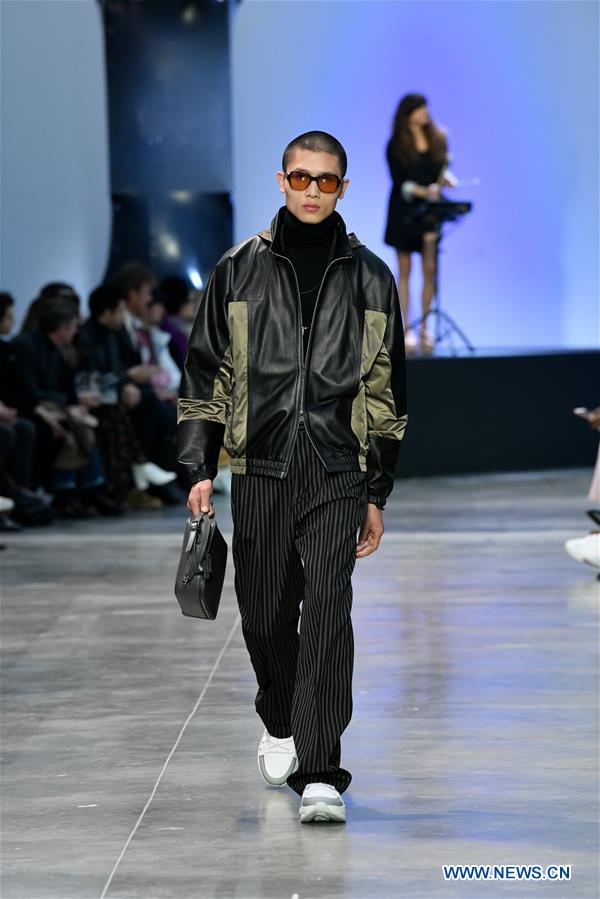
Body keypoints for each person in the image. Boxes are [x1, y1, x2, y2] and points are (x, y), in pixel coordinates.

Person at [178, 130, 408, 824]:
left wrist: (376, 490)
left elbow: (385, 391)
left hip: (337, 463)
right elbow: (206, 373)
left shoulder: (371, 277)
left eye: (326, 180)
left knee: (330, 607)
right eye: (301, 178)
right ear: (282, 181)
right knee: (264, 609)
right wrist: (198, 464)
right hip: (261, 461)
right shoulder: (237, 270)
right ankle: (279, 715)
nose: (312, 190)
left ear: (343, 187)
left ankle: (321, 769)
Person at [384, 93, 456, 354]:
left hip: (429, 213)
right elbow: (399, 181)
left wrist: (445, 180)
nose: (424, 112)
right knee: (404, 270)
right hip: (404, 212)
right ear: (408, 113)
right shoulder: (396, 144)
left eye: (425, 107)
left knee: (429, 269)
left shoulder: (438, 138)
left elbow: (439, 170)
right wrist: (424, 191)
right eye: (419, 108)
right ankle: (407, 328)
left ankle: (425, 326)